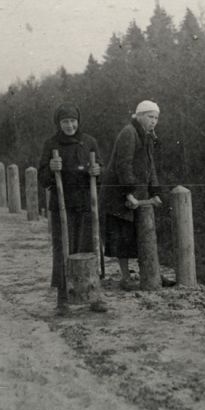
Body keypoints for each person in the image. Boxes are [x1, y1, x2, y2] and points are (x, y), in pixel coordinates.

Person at [38, 103, 108, 315]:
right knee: (64, 249)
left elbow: (102, 172)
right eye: (65, 122)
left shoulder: (89, 142)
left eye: (73, 121)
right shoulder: (51, 144)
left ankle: (94, 294)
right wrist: (51, 169)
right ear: (59, 123)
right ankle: (63, 297)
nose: (70, 126)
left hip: (87, 203)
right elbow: (43, 179)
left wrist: (98, 170)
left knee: (90, 247)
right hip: (63, 205)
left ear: (79, 121)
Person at [101, 100, 164, 290]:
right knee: (122, 237)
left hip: (138, 193)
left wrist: (155, 191)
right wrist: (128, 193)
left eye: (156, 118)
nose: (153, 121)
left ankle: (151, 275)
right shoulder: (129, 133)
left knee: (142, 234)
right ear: (139, 116)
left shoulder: (148, 136)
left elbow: (150, 166)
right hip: (118, 193)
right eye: (150, 117)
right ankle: (125, 277)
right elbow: (123, 164)